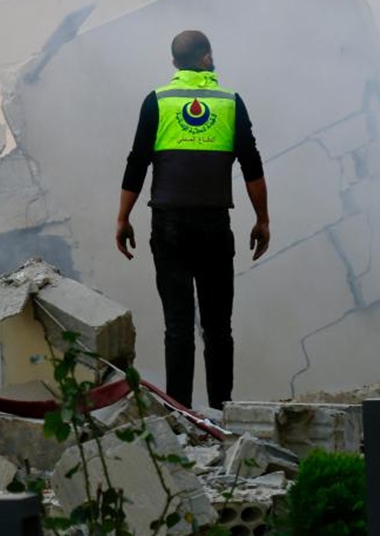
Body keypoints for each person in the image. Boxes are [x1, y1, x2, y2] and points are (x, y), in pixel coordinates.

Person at [114, 30, 270, 411]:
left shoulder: (157, 102)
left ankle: (180, 413)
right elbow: (251, 165)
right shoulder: (230, 103)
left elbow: (137, 162)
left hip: (168, 227)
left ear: (173, 64)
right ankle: (221, 412)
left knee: (178, 327)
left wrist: (123, 217)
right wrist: (262, 219)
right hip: (214, 226)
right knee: (218, 328)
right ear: (207, 58)